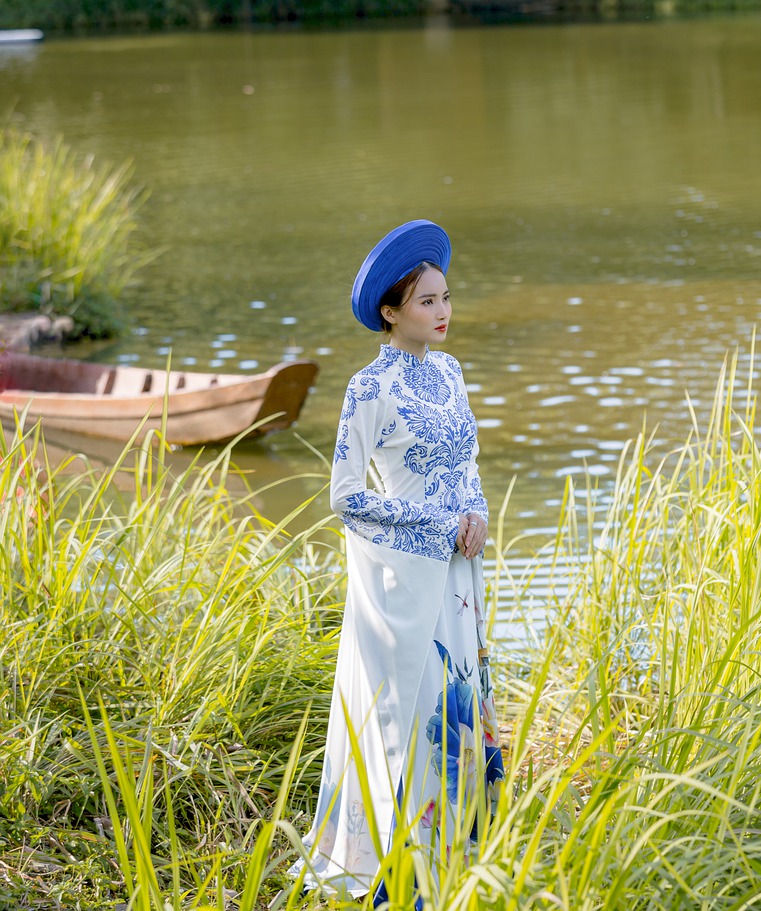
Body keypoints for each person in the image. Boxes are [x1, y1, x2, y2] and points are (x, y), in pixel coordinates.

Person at [292, 220, 505, 899]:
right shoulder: (369, 388)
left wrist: (477, 510)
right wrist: (437, 519)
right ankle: (402, 859)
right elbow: (345, 495)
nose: (443, 313)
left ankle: (465, 843)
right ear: (391, 311)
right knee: (413, 709)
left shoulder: (451, 370)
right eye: (427, 302)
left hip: (459, 568)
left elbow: (468, 460)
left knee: (461, 694)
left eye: (446, 297)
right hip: (406, 575)